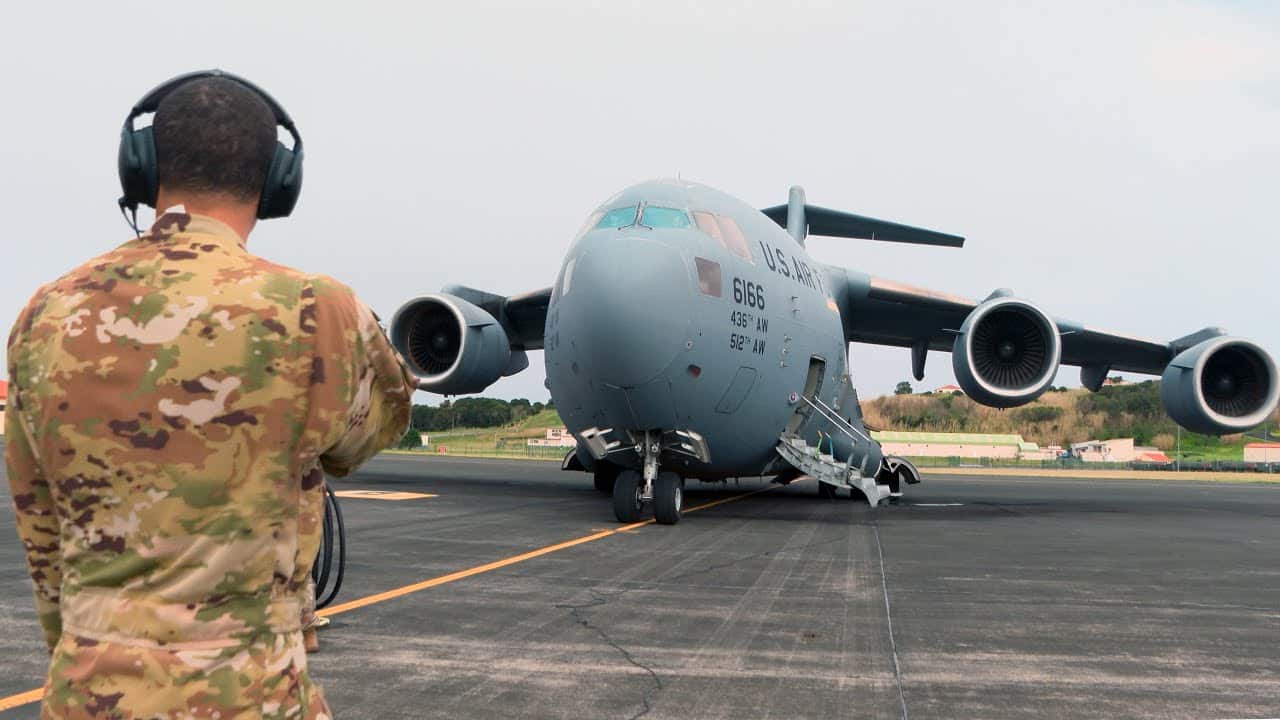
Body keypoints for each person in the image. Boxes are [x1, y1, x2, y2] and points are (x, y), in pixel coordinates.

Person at [4, 71, 415, 719]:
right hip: (248, 694)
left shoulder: (44, 314)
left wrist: (93, 645)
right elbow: (372, 432)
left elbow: (40, 526)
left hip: (88, 688)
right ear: (279, 181)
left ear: (140, 171)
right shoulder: (315, 308)